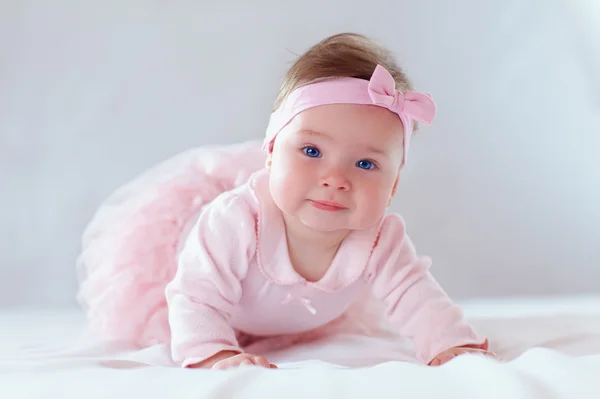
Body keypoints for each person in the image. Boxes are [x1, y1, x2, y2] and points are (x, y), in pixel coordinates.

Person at [76, 33, 492, 370]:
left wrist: (450, 345)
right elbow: (195, 294)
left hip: (285, 316)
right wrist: (213, 353)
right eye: (311, 152)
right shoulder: (236, 219)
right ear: (272, 152)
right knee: (195, 300)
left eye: (365, 163)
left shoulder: (380, 237)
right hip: (180, 267)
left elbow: (414, 294)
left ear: (394, 184)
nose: (336, 180)